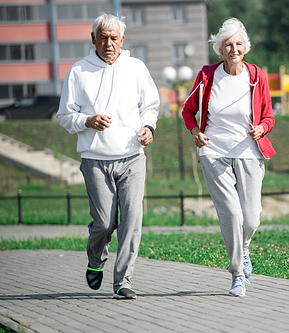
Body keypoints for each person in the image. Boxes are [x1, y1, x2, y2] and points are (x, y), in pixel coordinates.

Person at [56, 13, 160, 300]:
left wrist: (148, 127)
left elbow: (150, 105)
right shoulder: (79, 71)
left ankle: (123, 281)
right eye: (103, 38)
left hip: (132, 157)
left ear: (122, 40)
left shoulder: (136, 68)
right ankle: (96, 259)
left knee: (131, 219)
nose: (109, 43)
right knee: (103, 223)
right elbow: (64, 116)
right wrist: (87, 121)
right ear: (93, 39)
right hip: (95, 159)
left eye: (114, 38)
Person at [182, 18, 276, 297]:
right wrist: (195, 131)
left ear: (245, 48)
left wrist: (262, 128)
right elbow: (188, 112)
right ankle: (236, 274)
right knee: (231, 214)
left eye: (238, 44)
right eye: (227, 45)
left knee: (251, 219)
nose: (233, 49)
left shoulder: (257, 76)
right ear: (220, 50)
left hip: (249, 151)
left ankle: (244, 248)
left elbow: (269, 116)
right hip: (214, 151)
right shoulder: (206, 77)